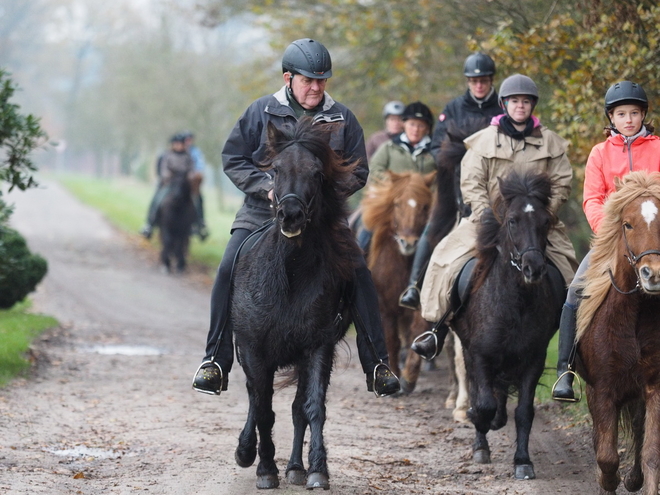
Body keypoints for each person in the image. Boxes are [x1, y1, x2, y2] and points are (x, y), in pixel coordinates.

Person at [192, 38, 401, 398]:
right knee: (227, 268)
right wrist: (267, 187)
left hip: (322, 218)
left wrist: (320, 197)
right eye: (309, 80)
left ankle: (378, 364)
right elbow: (233, 160)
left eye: (322, 81)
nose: (316, 88)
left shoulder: (342, 118)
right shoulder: (261, 111)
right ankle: (215, 360)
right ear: (289, 78)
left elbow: (359, 171)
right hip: (262, 213)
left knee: (360, 273)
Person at [413, 74, 579, 359]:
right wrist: (485, 214)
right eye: (515, 101)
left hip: (537, 225)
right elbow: (471, 182)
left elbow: (562, 182)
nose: (520, 106)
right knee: (445, 259)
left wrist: (543, 215)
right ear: (504, 104)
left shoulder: (551, 142)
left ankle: (574, 346)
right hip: (488, 222)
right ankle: (435, 329)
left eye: (526, 101)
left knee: (572, 277)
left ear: (532, 106)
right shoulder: (484, 141)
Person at [552, 81, 660, 401]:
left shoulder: (658, 148)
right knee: (575, 293)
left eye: (634, 113)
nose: (628, 119)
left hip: (653, 239)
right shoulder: (600, 153)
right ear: (611, 118)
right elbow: (592, 198)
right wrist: (607, 231)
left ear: (643, 116)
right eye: (621, 114)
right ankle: (566, 370)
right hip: (612, 240)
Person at [399, 52, 503, 310]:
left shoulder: (502, 108)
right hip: (454, 180)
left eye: (484, 80)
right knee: (434, 227)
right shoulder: (453, 108)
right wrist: (453, 160)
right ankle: (414, 285)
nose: (479, 85)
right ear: (468, 82)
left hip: (495, 181)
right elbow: (436, 146)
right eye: (474, 81)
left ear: (491, 81)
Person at [356, 101, 436, 250]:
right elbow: (374, 170)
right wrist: (398, 186)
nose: (416, 129)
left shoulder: (434, 152)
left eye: (421, 125)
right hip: (390, 202)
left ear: (427, 128)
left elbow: (439, 178)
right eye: (412, 124)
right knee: (366, 226)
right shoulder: (389, 147)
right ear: (404, 124)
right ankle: (355, 262)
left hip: (422, 206)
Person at [140, 133, 194, 239]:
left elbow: (191, 170)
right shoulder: (167, 155)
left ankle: (197, 224)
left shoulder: (188, 157)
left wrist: (189, 177)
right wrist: (169, 176)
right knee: (157, 199)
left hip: (183, 184)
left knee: (195, 201)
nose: (178, 146)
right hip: (170, 183)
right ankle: (150, 224)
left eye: (181, 144)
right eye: (176, 144)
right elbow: (164, 170)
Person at [182, 131, 210, 241]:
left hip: (191, 184)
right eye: (186, 140)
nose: (188, 142)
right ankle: (150, 223)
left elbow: (200, 166)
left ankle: (200, 223)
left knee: (198, 199)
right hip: (176, 182)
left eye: (190, 140)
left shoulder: (196, 152)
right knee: (160, 195)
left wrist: (195, 174)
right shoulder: (177, 152)